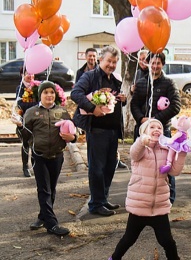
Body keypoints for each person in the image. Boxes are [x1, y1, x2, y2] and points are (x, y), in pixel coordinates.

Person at [109, 119, 186, 260]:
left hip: (159, 206)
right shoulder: (142, 149)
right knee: (128, 239)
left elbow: (174, 171)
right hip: (140, 205)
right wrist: (141, 141)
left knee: (167, 241)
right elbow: (134, 154)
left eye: (160, 127)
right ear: (144, 132)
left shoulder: (166, 150)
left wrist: (181, 153)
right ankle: (114, 258)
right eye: (152, 127)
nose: (157, 129)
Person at [12, 81, 77, 236]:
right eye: (45, 92)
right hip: (39, 156)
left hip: (57, 156)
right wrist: (20, 127)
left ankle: (43, 217)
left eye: (52, 92)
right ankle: (52, 225)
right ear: (40, 94)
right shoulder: (31, 112)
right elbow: (24, 137)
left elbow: (74, 132)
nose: (49, 95)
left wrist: (72, 137)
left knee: (51, 189)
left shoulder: (62, 112)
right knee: (44, 190)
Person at [71, 46, 127, 216]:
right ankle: (95, 204)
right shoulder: (90, 76)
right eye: (109, 61)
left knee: (110, 167)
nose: (111, 64)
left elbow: (115, 101)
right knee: (97, 168)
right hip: (97, 130)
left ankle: (103, 199)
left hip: (112, 130)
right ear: (100, 60)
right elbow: (75, 93)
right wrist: (91, 107)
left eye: (114, 62)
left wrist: (122, 100)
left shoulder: (115, 79)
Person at [130, 52, 181, 204]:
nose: (155, 66)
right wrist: (141, 119)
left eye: (158, 63)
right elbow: (134, 105)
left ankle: (168, 198)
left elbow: (175, 106)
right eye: (152, 63)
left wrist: (154, 122)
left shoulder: (169, 84)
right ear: (147, 64)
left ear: (163, 65)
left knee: (166, 164)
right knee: (141, 164)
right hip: (142, 131)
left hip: (162, 132)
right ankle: (141, 196)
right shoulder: (141, 83)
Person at [15, 67, 39, 177]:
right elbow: (21, 105)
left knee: (35, 143)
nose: (30, 75)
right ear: (22, 75)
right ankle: (25, 167)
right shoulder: (20, 88)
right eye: (27, 73)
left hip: (37, 119)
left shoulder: (37, 87)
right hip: (24, 120)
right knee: (25, 143)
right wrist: (35, 105)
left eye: (32, 73)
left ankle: (35, 166)